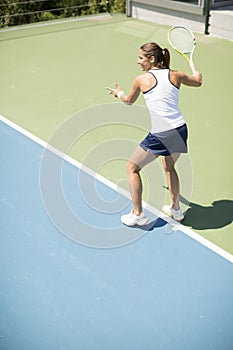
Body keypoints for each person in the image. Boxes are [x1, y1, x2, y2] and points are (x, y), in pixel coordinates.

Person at [106, 42, 202, 226]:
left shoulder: (141, 79)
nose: (138, 61)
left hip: (162, 133)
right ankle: (176, 210)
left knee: (132, 168)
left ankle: (137, 214)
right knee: (169, 167)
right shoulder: (176, 75)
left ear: (151, 59)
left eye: (141, 58)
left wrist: (119, 93)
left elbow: (128, 101)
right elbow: (197, 82)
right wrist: (197, 75)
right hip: (180, 129)